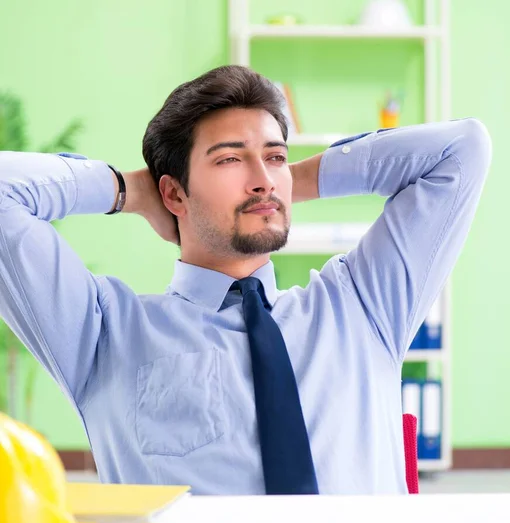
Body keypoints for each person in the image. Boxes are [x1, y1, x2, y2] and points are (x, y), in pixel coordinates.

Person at [0, 65, 491, 495]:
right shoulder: (103, 332)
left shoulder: (364, 306)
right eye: (230, 159)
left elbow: (463, 149)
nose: (262, 178)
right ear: (173, 193)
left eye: (275, 156)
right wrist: (128, 190)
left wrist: (292, 181)